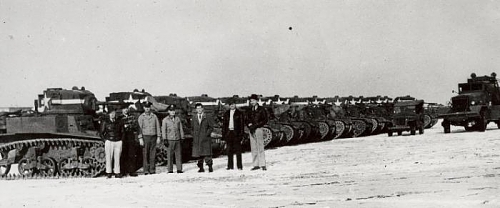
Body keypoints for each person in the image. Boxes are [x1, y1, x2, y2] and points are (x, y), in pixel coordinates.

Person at [137, 102, 161, 175]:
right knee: (145, 154)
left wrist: (158, 137)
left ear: (150, 108)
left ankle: (152, 169)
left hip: (153, 137)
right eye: (146, 107)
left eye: (148, 107)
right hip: (145, 137)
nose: (147, 109)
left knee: (153, 154)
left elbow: (157, 127)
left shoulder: (154, 116)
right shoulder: (141, 117)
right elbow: (139, 129)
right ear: (144, 108)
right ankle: (146, 170)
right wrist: (140, 138)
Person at [246, 94, 268, 171]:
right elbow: (247, 119)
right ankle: (256, 164)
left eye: (253, 101)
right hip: (251, 129)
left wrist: (256, 125)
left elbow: (265, 119)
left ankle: (263, 164)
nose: (252, 102)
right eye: (251, 101)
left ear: (257, 101)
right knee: (253, 147)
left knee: (260, 146)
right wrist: (249, 125)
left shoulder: (262, 109)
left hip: (258, 129)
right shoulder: (249, 110)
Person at [100, 110, 124, 178]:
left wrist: (121, 140)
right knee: (109, 157)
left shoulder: (119, 122)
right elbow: (101, 132)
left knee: (117, 157)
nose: (112, 115)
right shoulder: (105, 122)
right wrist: (105, 140)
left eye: (113, 113)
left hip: (118, 141)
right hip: (109, 141)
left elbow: (122, 132)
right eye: (111, 113)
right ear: (109, 114)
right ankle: (109, 172)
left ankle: (117, 172)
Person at [191, 103, 214, 172]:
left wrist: (206, 134)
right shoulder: (194, 118)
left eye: (200, 108)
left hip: (205, 139)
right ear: (196, 109)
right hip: (197, 139)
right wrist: (194, 134)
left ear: (202, 109)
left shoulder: (207, 116)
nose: (199, 110)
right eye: (198, 108)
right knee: (199, 154)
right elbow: (191, 128)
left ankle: (210, 167)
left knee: (207, 154)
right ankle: (201, 168)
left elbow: (211, 127)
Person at [162, 105, 185, 174]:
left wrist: (182, 137)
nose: (173, 112)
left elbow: (180, 129)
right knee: (169, 155)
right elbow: (164, 130)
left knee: (178, 155)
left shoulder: (177, 119)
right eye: (171, 111)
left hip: (177, 139)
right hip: (170, 139)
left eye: (174, 110)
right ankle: (170, 169)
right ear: (168, 111)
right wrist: (165, 139)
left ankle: (179, 169)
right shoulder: (165, 120)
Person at [222, 99, 244, 170]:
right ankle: (230, 166)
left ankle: (239, 166)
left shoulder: (239, 113)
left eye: (233, 104)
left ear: (235, 104)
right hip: (229, 133)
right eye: (230, 104)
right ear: (229, 105)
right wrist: (224, 135)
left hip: (236, 133)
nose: (232, 106)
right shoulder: (226, 113)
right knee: (229, 150)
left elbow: (241, 125)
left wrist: (241, 135)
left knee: (238, 150)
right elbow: (224, 125)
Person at [120, 107, 139, 177]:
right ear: (122, 110)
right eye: (124, 109)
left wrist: (128, 126)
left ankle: (132, 171)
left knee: (131, 154)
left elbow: (135, 126)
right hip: (123, 137)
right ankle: (123, 171)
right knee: (123, 154)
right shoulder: (119, 118)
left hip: (130, 136)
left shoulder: (132, 117)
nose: (125, 110)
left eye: (126, 109)